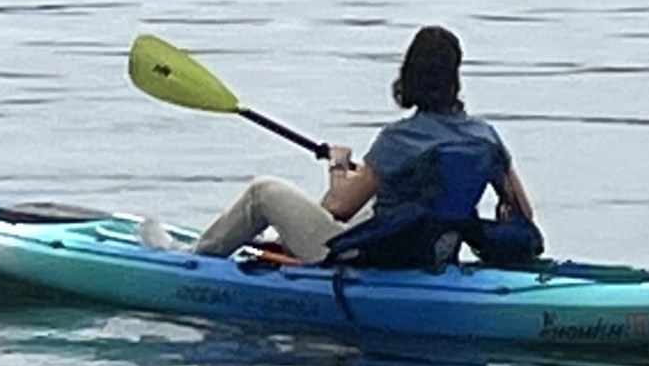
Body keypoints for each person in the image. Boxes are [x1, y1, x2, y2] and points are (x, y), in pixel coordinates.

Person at [141, 25, 537, 267]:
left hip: (373, 259)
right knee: (370, 200)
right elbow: (523, 212)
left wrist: (337, 165)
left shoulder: (399, 139)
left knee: (264, 191)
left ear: (410, 77)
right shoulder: (485, 137)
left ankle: (191, 259)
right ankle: (281, 243)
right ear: (455, 78)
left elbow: (337, 207)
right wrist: (364, 176)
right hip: (433, 254)